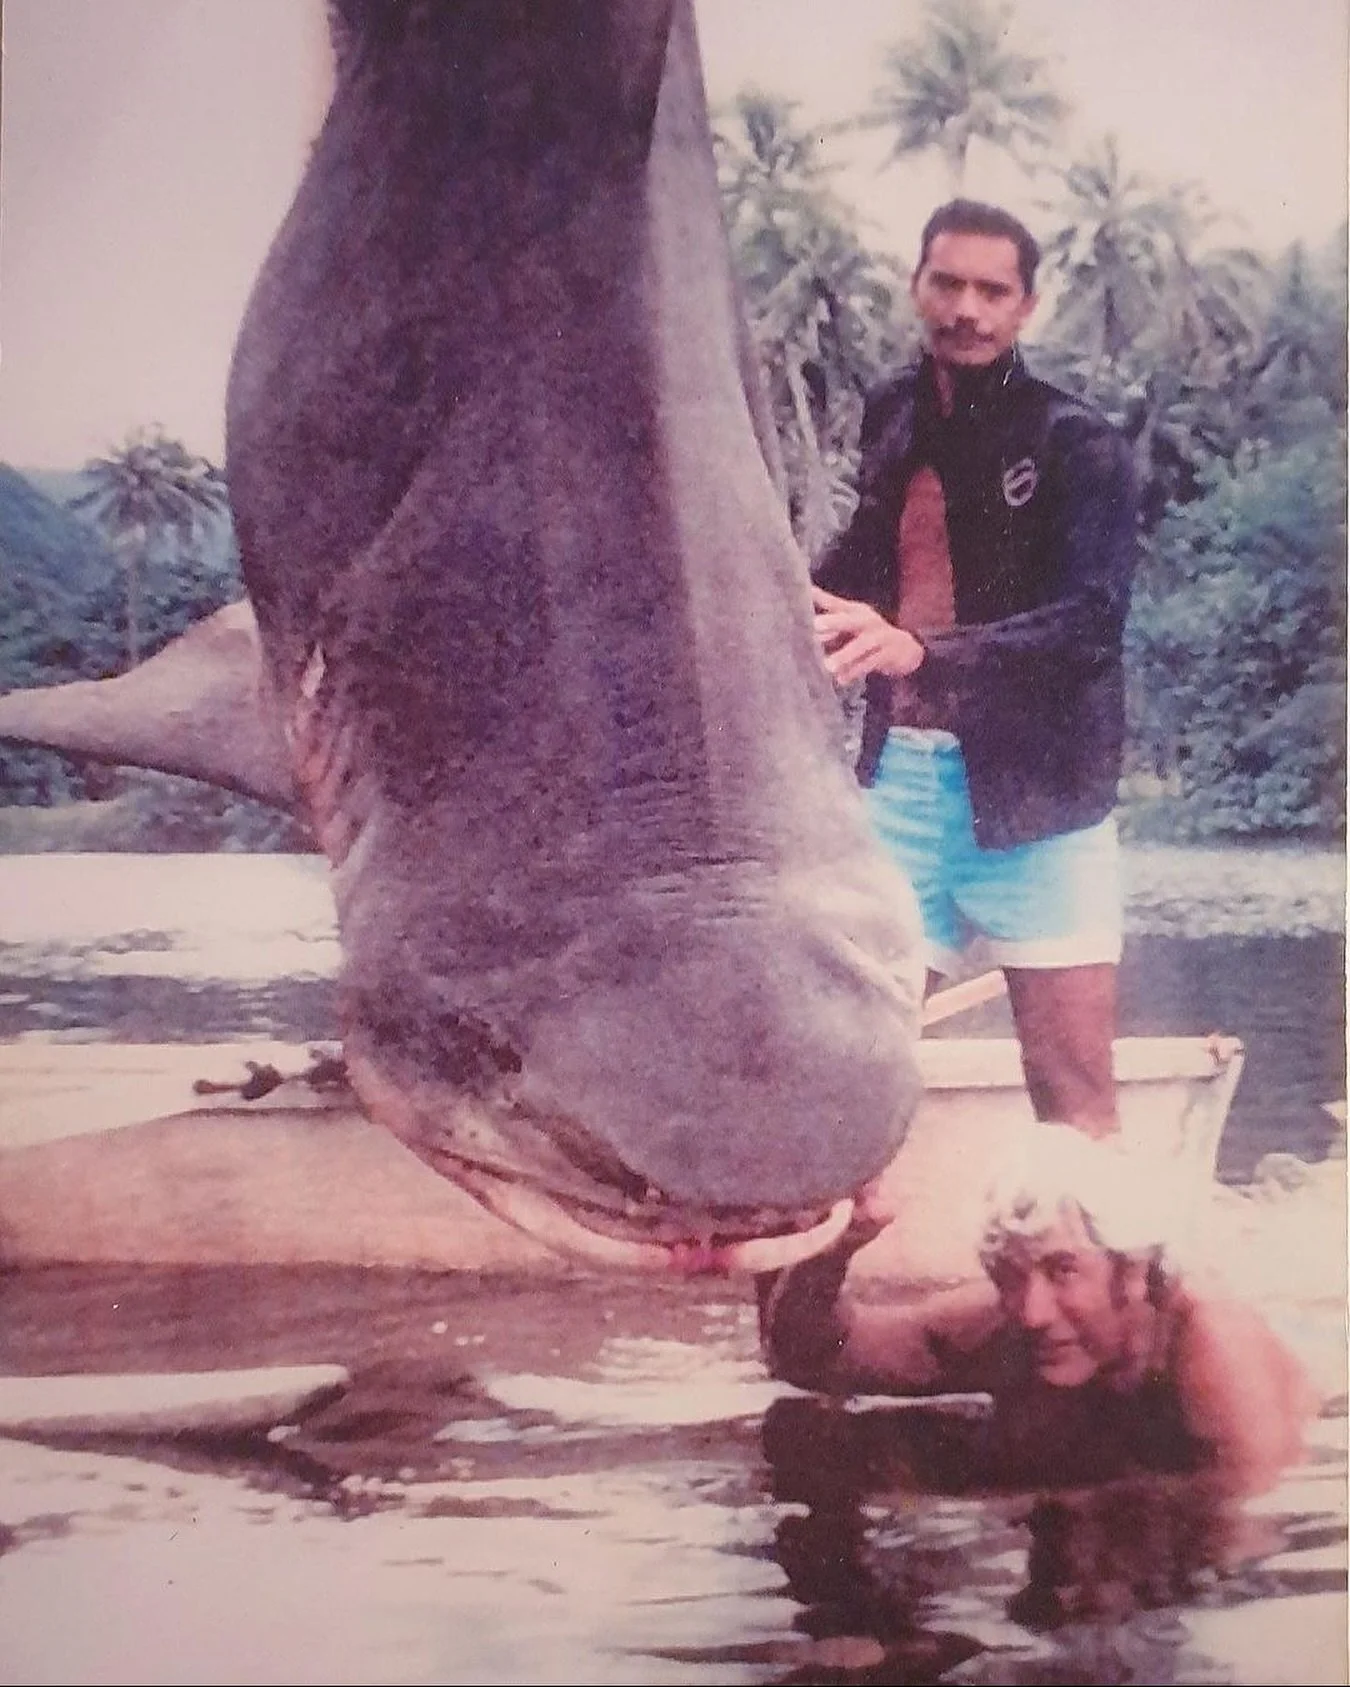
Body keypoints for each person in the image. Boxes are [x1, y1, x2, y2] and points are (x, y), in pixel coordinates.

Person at [811, 198, 1139, 1137]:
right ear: (917, 286)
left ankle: (1097, 1278)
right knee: (842, 1095)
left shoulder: (1078, 443)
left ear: (1026, 307)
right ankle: (816, 1292)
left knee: (1073, 1095)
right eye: (947, 282)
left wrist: (925, 651)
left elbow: (1089, 624)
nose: (966, 308)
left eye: (992, 290)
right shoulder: (893, 412)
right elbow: (875, 559)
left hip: (1042, 805)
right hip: (898, 792)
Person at [757, 1125, 1316, 1496]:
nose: (1031, 1312)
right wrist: (835, 1249)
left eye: (1063, 1270)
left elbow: (1249, 1536)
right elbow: (813, 1360)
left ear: (1132, 1268)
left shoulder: (1210, 1343)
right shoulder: (1010, 1324)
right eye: (1010, 1276)